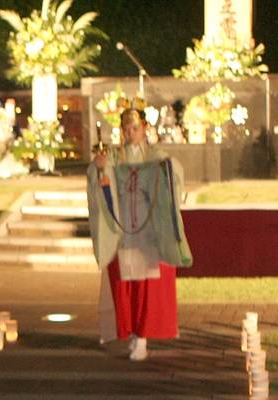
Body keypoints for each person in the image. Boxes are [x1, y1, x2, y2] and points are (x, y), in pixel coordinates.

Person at [87, 109, 192, 361]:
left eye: (134, 128)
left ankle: (143, 334)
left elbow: (174, 174)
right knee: (125, 281)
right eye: (125, 129)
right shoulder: (114, 155)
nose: (129, 133)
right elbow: (101, 179)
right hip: (123, 223)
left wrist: (166, 169)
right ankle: (130, 331)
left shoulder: (156, 155)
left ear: (145, 128)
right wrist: (99, 170)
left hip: (148, 226)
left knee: (147, 283)